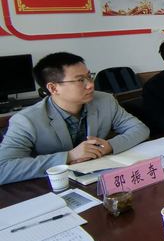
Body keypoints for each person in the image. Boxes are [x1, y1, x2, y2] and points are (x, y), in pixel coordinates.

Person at [0, 52, 149, 185]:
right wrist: (69, 156)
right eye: (80, 80)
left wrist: (108, 146)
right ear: (53, 88)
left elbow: (140, 129)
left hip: (97, 179)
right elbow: (3, 169)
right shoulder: (26, 120)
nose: (90, 85)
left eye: (89, 76)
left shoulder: (105, 100)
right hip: (51, 187)